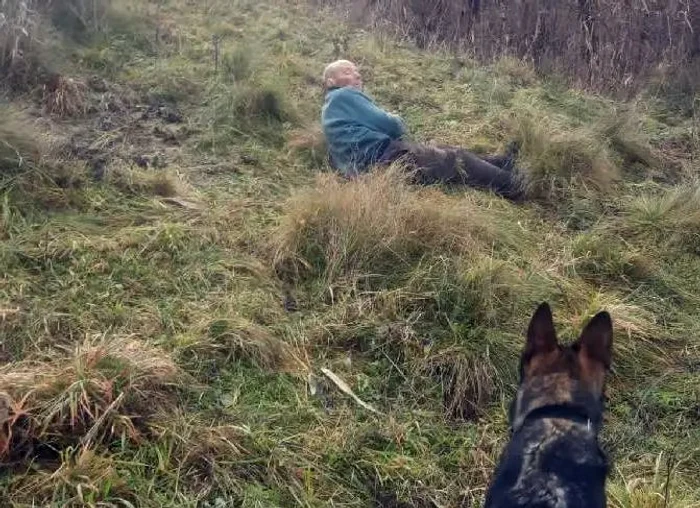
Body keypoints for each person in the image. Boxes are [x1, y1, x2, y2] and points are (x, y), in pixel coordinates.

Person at [320, 60, 525, 201]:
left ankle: (504, 163)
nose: (356, 74)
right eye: (347, 72)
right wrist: (396, 119)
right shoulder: (343, 96)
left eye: (356, 70)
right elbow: (394, 126)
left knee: (445, 149)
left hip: (374, 168)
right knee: (455, 159)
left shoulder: (330, 110)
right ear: (331, 82)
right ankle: (516, 185)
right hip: (387, 158)